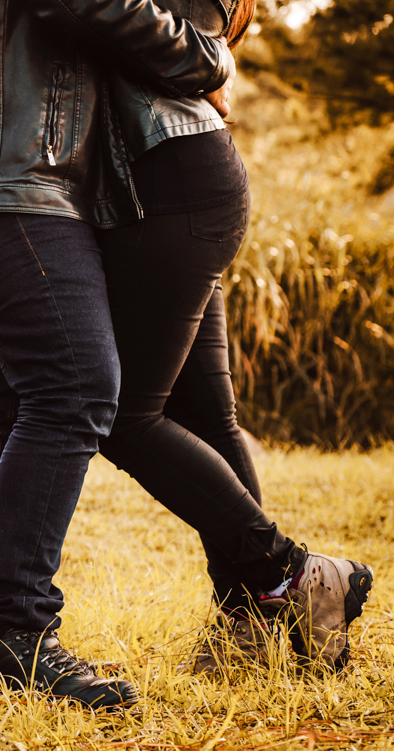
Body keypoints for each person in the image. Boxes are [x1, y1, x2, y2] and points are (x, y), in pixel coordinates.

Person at [0, 0, 234, 710]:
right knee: (76, 388)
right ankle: (19, 633)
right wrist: (210, 56)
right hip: (14, 174)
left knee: (4, 407)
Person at [92, 0, 374, 675]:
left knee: (123, 416)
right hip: (186, 173)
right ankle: (257, 624)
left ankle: (297, 573)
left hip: (173, 179)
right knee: (207, 416)